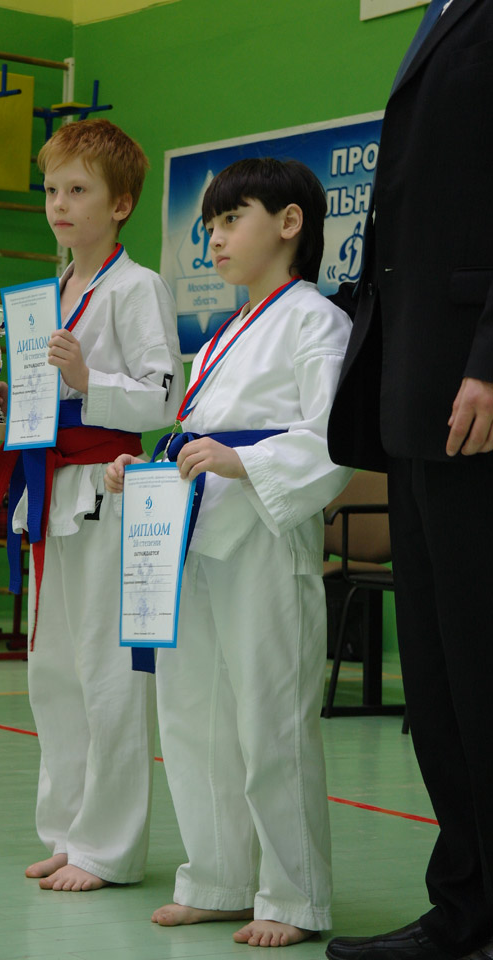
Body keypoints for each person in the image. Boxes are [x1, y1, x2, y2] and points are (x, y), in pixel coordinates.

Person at [106, 157, 352, 947]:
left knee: (270, 718)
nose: (213, 238)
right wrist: (144, 467)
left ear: (288, 223)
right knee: (192, 716)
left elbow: (333, 439)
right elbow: (193, 438)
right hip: (196, 533)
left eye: (230, 218)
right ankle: (216, 877)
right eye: (208, 224)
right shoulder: (221, 333)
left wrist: (244, 461)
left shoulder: (317, 319)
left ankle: (293, 895)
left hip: (266, 538)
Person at [0, 119, 184, 893]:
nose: (58, 204)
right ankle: (66, 831)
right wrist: (6, 401)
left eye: (77, 190)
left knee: (106, 672)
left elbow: (164, 397)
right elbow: (47, 400)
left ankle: (109, 847)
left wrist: (89, 379)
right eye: (51, 190)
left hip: (106, 489)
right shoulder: (47, 293)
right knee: (53, 672)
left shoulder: (136, 287)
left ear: (120, 204)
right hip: (46, 491)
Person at [325, 2, 493, 959]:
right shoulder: (440, 14)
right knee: (436, 678)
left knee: (481, 666)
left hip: (473, 387)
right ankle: (464, 905)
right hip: (416, 389)